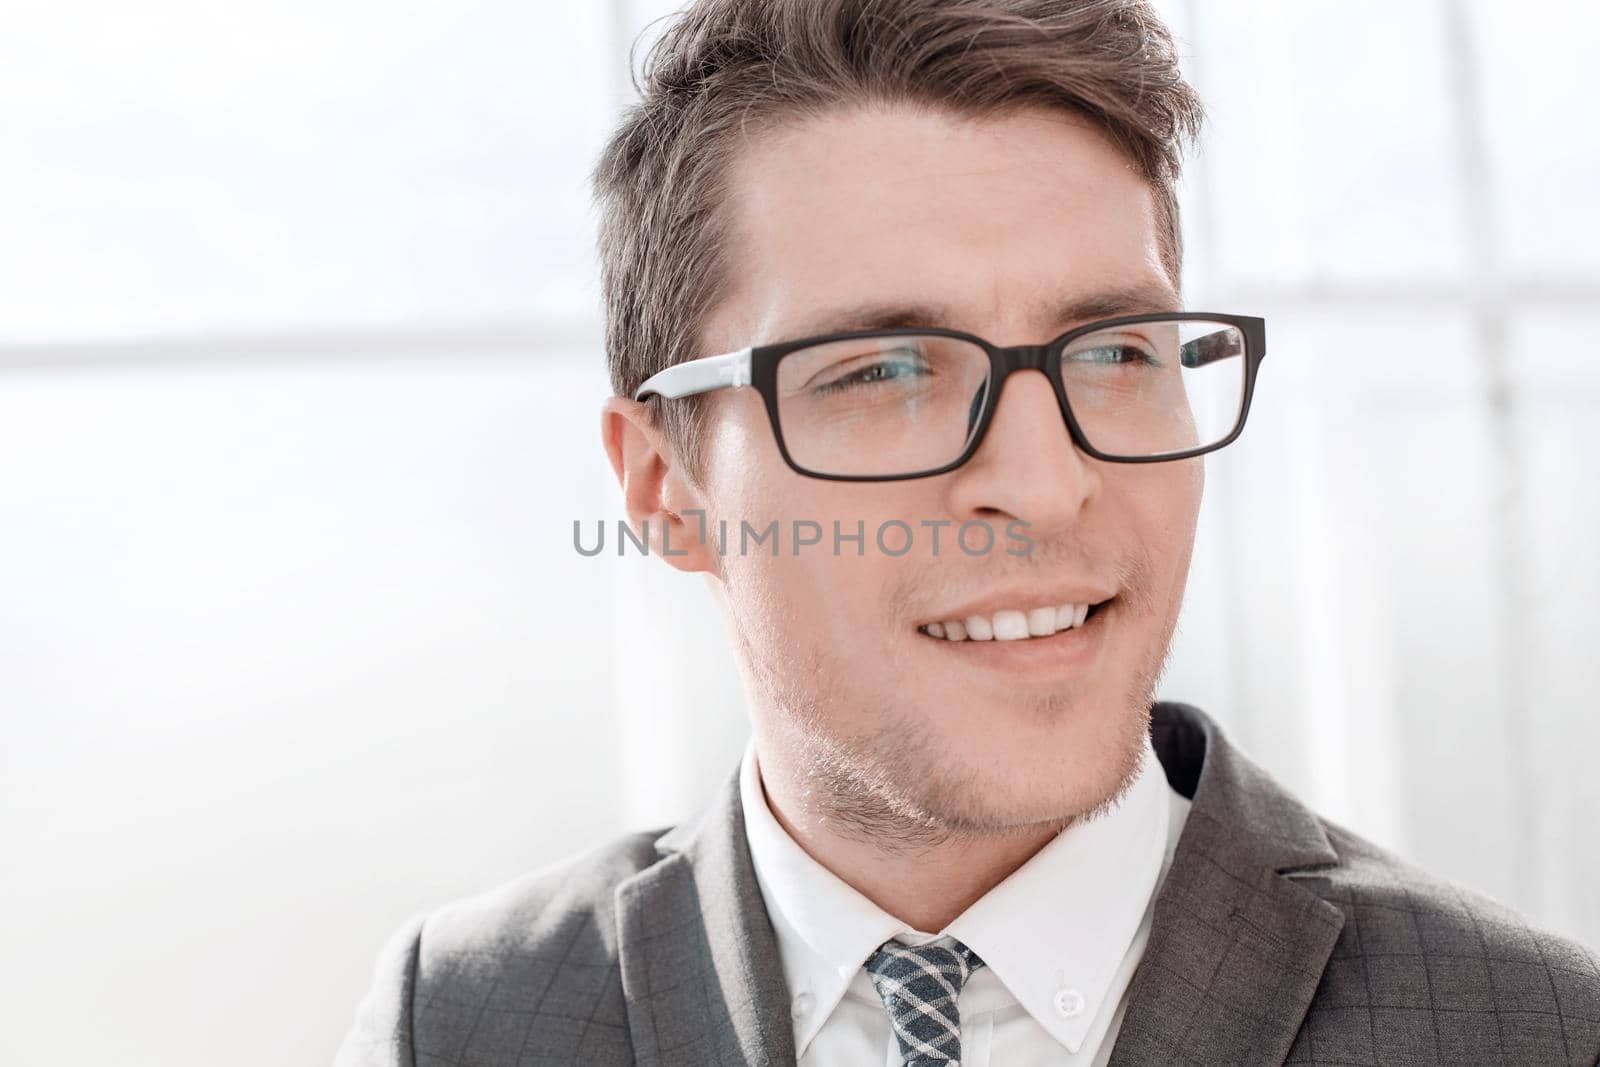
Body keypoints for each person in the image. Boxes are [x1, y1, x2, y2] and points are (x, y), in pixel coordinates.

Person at [335, 1, 1600, 1064]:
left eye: (1113, 350)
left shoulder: (1529, 1029)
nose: (1046, 485)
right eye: (885, 370)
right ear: (667, 486)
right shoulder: (463, 1017)